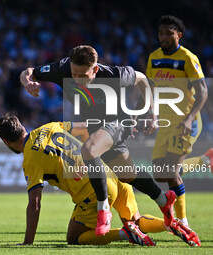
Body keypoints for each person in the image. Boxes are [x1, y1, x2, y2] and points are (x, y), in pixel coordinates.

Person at [20, 45, 175, 235]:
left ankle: (103, 210)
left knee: (89, 150)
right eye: (74, 74)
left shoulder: (113, 75)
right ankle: (163, 200)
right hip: (97, 127)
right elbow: (27, 72)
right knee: (127, 174)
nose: (78, 80)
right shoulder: (62, 70)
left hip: (118, 122)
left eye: (83, 76)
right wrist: (27, 82)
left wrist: (152, 113)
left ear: (95, 69)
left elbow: (142, 79)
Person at [0, 114, 201, 246]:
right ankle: (171, 224)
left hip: (93, 192)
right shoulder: (49, 127)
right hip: (112, 175)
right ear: (21, 126)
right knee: (136, 221)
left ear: (6, 141)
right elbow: (87, 127)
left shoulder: (30, 159)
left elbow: (35, 203)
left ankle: (124, 234)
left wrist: (27, 243)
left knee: (74, 238)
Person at [146, 15, 210, 227]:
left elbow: (202, 91)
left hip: (185, 122)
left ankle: (181, 221)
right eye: (161, 33)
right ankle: (206, 160)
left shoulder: (188, 58)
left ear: (178, 35)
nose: (163, 37)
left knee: (172, 171)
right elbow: (150, 89)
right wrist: (152, 113)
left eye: (168, 34)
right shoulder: (153, 57)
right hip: (165, 123)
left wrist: (189, 118)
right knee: (159, 173)